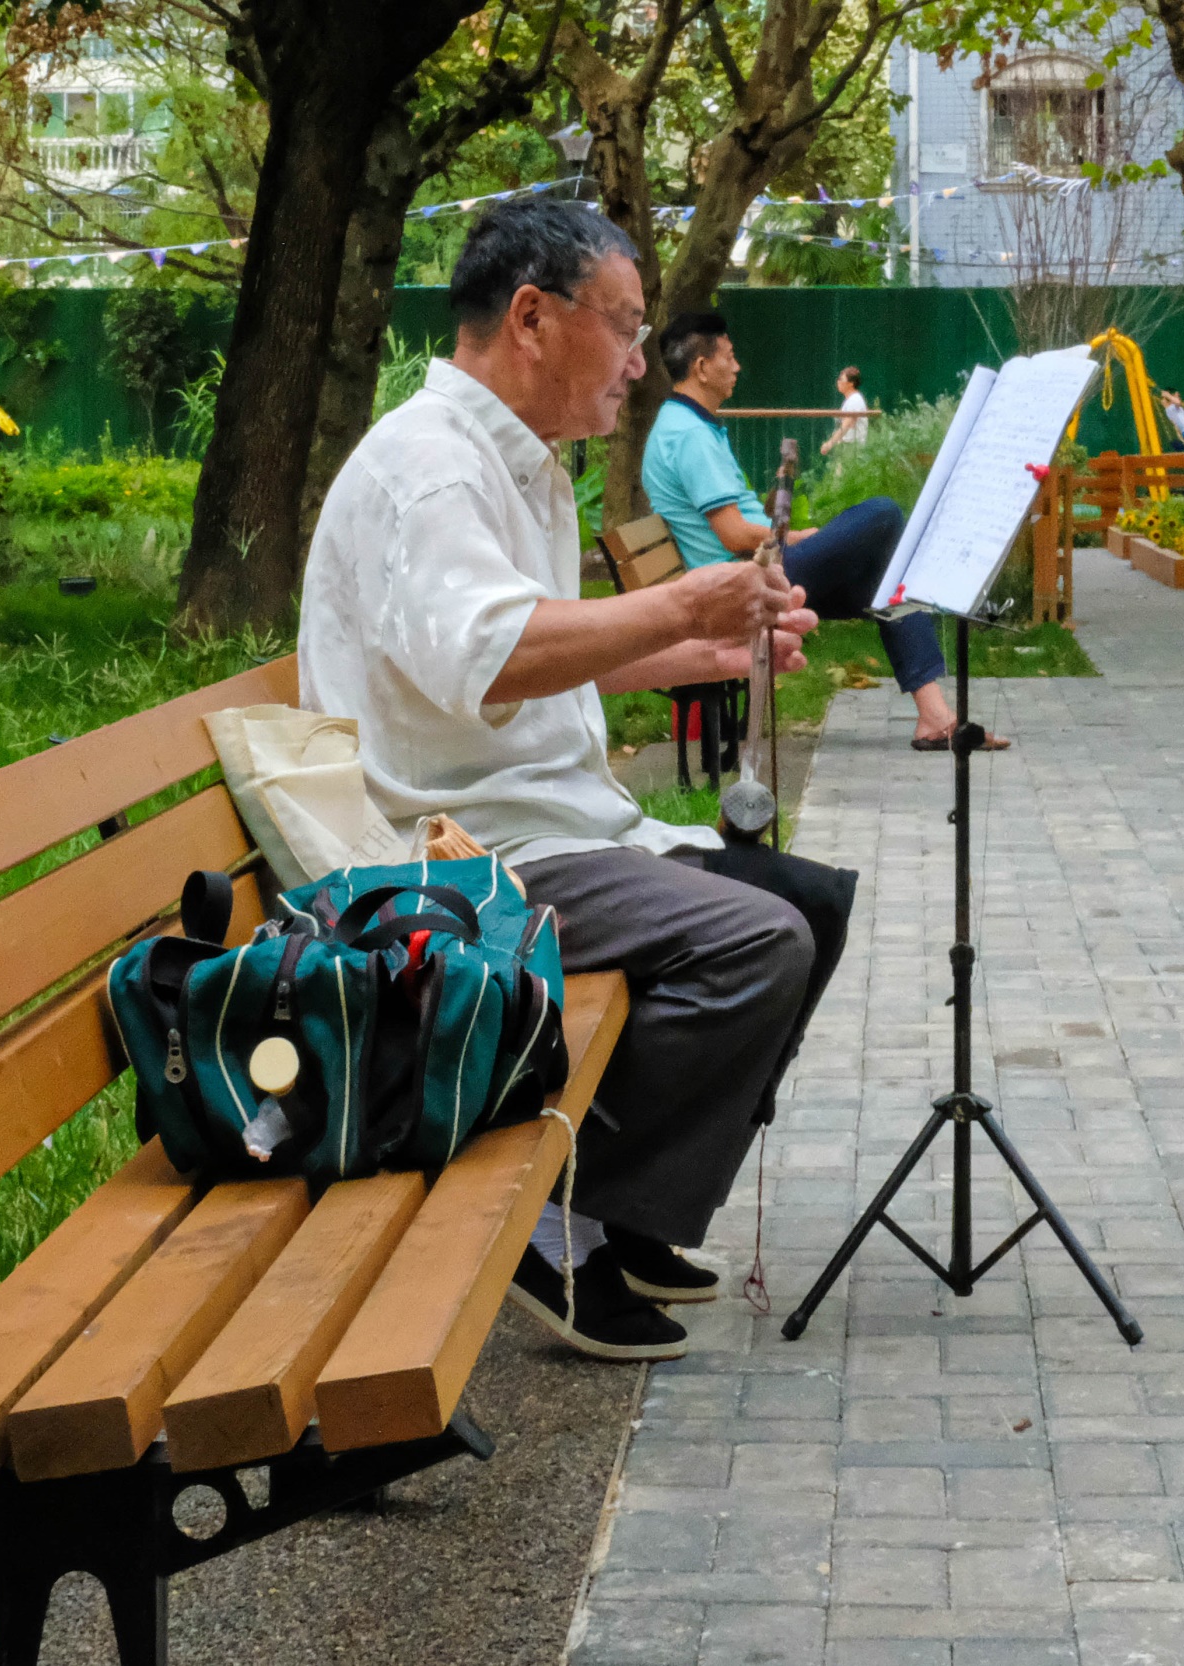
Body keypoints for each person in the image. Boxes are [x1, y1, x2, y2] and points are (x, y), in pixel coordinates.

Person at [299, 197, 840, 1362]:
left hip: (536, 820)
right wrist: (693, 599)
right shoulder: (433, 470)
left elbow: (530, 649)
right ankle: (555, 1220)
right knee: (758, 941)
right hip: (450, 858)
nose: (643, 360)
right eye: (626, 324)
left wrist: (693, 653)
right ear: (532, 319)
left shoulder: (513, 462)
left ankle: (634, 1211)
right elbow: (489, 656)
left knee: (814, 904)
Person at [643, 312, 1003, 752]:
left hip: (747, 571)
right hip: (740, 580)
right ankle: (935, 716)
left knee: (884, 575)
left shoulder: (687, 425)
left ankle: (935, 718)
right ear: (701, 367)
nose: (737, 367)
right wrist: (797, 539)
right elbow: (734, 535)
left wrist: (800, 538)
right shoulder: (688, 435)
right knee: (884, 514)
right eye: (730, 357)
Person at [821, 364, 869, 455]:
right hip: (846, 447)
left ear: (851, 383)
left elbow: (846, 424)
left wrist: (829, 444)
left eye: (841, 379)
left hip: (853, 448)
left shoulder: (855, 400)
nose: (838, 382)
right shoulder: (849, 400)